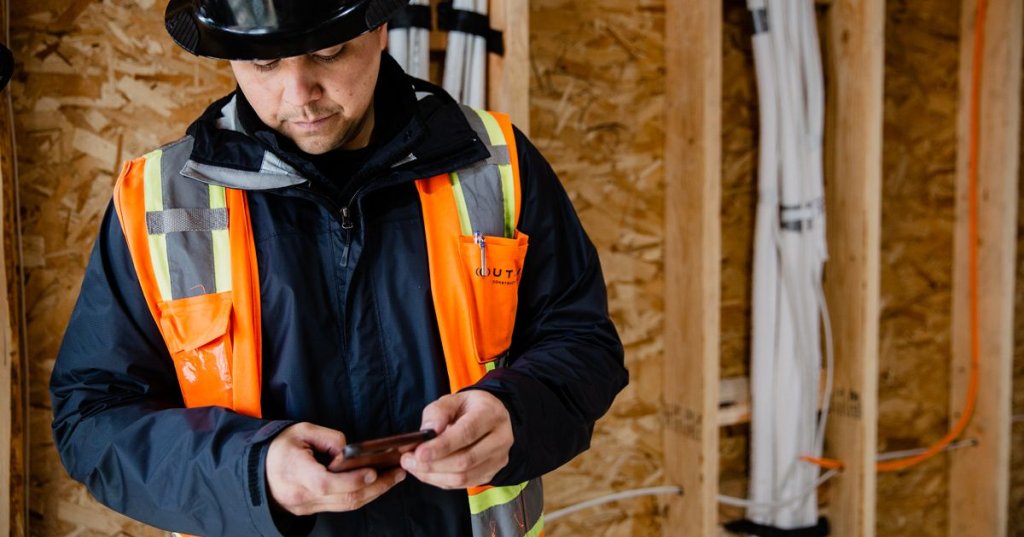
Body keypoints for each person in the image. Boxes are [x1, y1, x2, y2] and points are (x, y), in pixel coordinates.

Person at [50, 0, 627, 535]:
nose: (300, 93)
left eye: (328, 53)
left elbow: (582, 342)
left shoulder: (496, 162)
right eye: (264, 62)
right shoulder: (159, 199)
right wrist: (255, 472)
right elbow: (94, 416)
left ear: (378, 28)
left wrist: (514, 413)